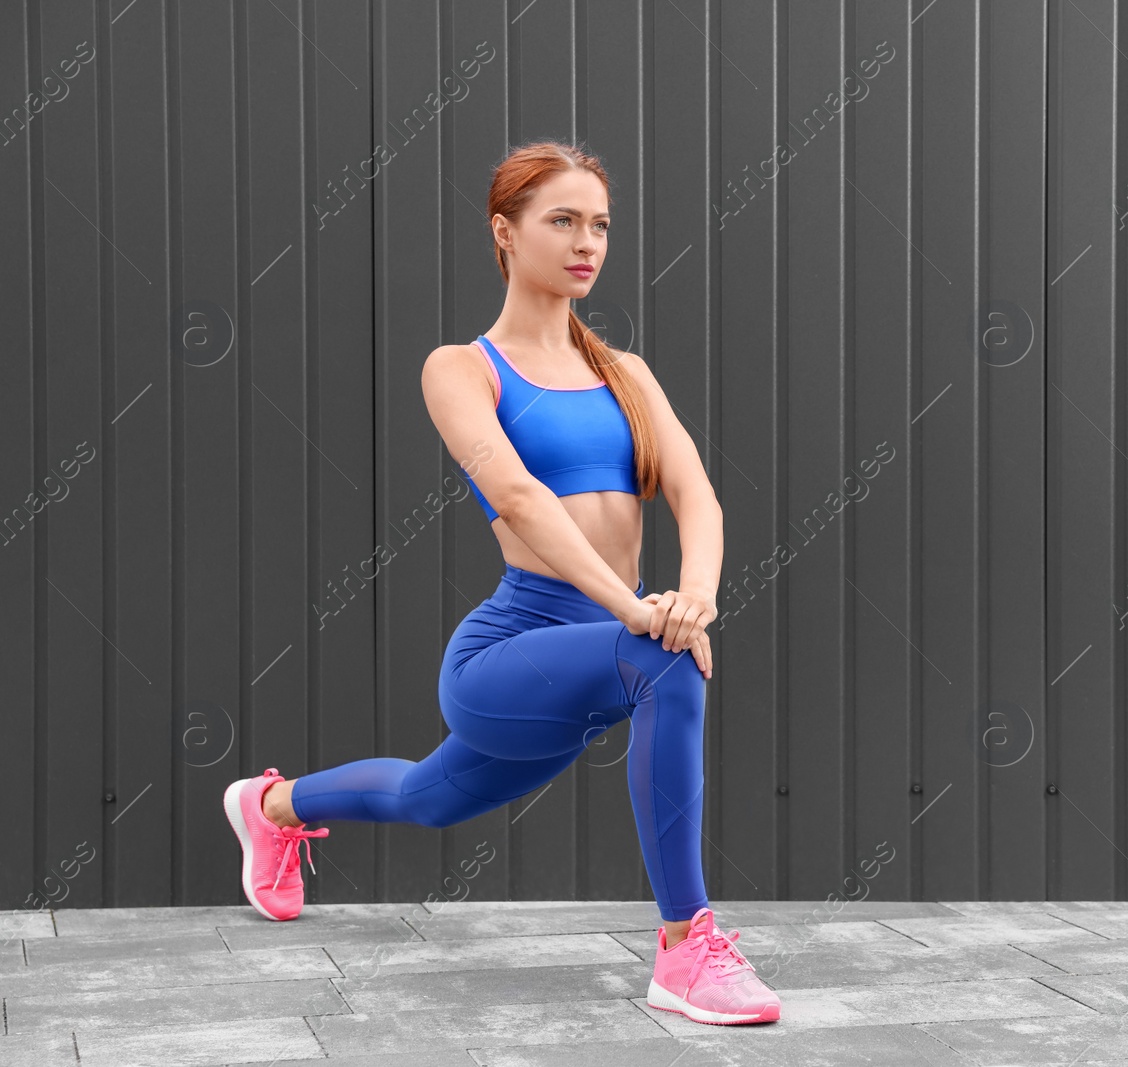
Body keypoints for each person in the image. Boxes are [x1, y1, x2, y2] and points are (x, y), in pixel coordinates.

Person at [221, 140, 779, 1026]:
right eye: (561, 220)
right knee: (665, 662)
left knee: (425, 798)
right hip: (508, 652)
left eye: (598, 224)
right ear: (505, 233)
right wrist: (639, 608)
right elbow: (517, 495)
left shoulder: (626, 374)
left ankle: (270, 804)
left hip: (601, 652)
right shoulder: (463, 368)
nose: (585, 241)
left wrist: (695, 594)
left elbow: (695, 494)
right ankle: (685, 949)